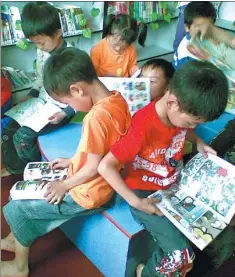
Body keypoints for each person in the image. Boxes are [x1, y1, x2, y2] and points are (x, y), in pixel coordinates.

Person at [1, 48, 131, 277]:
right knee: (22, 190)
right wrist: (72, 160)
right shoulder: (117, 100)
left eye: (66, 101)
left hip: (88, 192)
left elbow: (93, 167)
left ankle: (19, 267)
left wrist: (63, 185)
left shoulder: (95, 118)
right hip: (93, 180)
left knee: (18, 208)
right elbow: (105, 150)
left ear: (77, 90)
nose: (70, 107)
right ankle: (14, 240)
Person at [98, 60, 229, 277]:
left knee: (221, 239)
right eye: (191, 123)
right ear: (173, 103)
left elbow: (184, 128)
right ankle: (143, 272)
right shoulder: (142, 127)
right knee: (180, 257)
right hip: (146, 195)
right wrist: (136, 201)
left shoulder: (177, 111)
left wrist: (198, 142)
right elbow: (106, 166)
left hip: (174, 186)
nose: (192, 127)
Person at [1, 1, 75, 174]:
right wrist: (32, 94)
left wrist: (65, 113)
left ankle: (34, 168)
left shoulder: (71, 58)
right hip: (40, 104)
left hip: (61, 110)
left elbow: (80, 93)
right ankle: (15, 168)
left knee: (23, 137)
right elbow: (41, 78)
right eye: (35, 44)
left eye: (41, 43)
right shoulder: (43, 51)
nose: (39, 48)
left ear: (58, 33)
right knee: (7, 127)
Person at [173, 1, 217, 70]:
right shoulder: (187, 58)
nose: (203, 32)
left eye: (208, 27)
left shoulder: (204, 40)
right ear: (187, 27)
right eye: (198, 27)